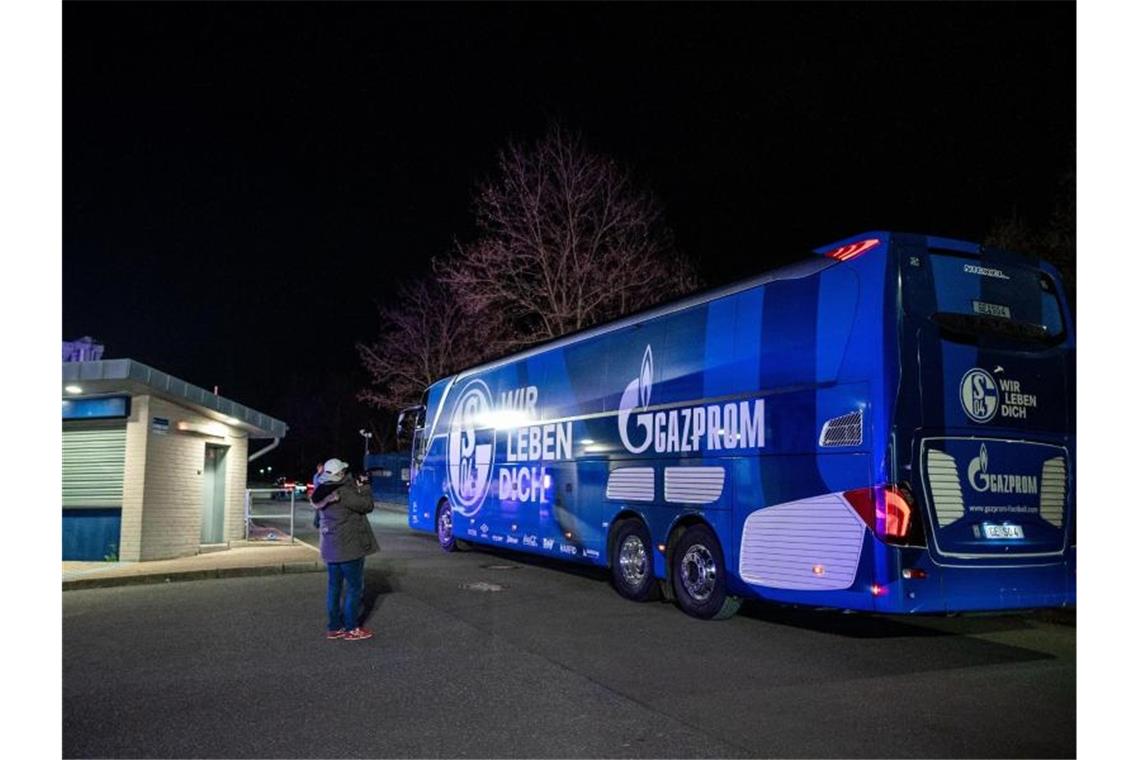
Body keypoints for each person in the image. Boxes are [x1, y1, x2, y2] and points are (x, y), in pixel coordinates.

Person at [310, 457, 378, 641]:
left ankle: (334, 627)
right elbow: (366, 505)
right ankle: (351, 628)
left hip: (330, 548)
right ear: (338, 474)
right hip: (348, 548)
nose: (345, 474)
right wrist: (364, 486)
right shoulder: (343, 492)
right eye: (343, 472)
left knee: (334, 588)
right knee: (355, 588)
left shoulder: (321, 490)